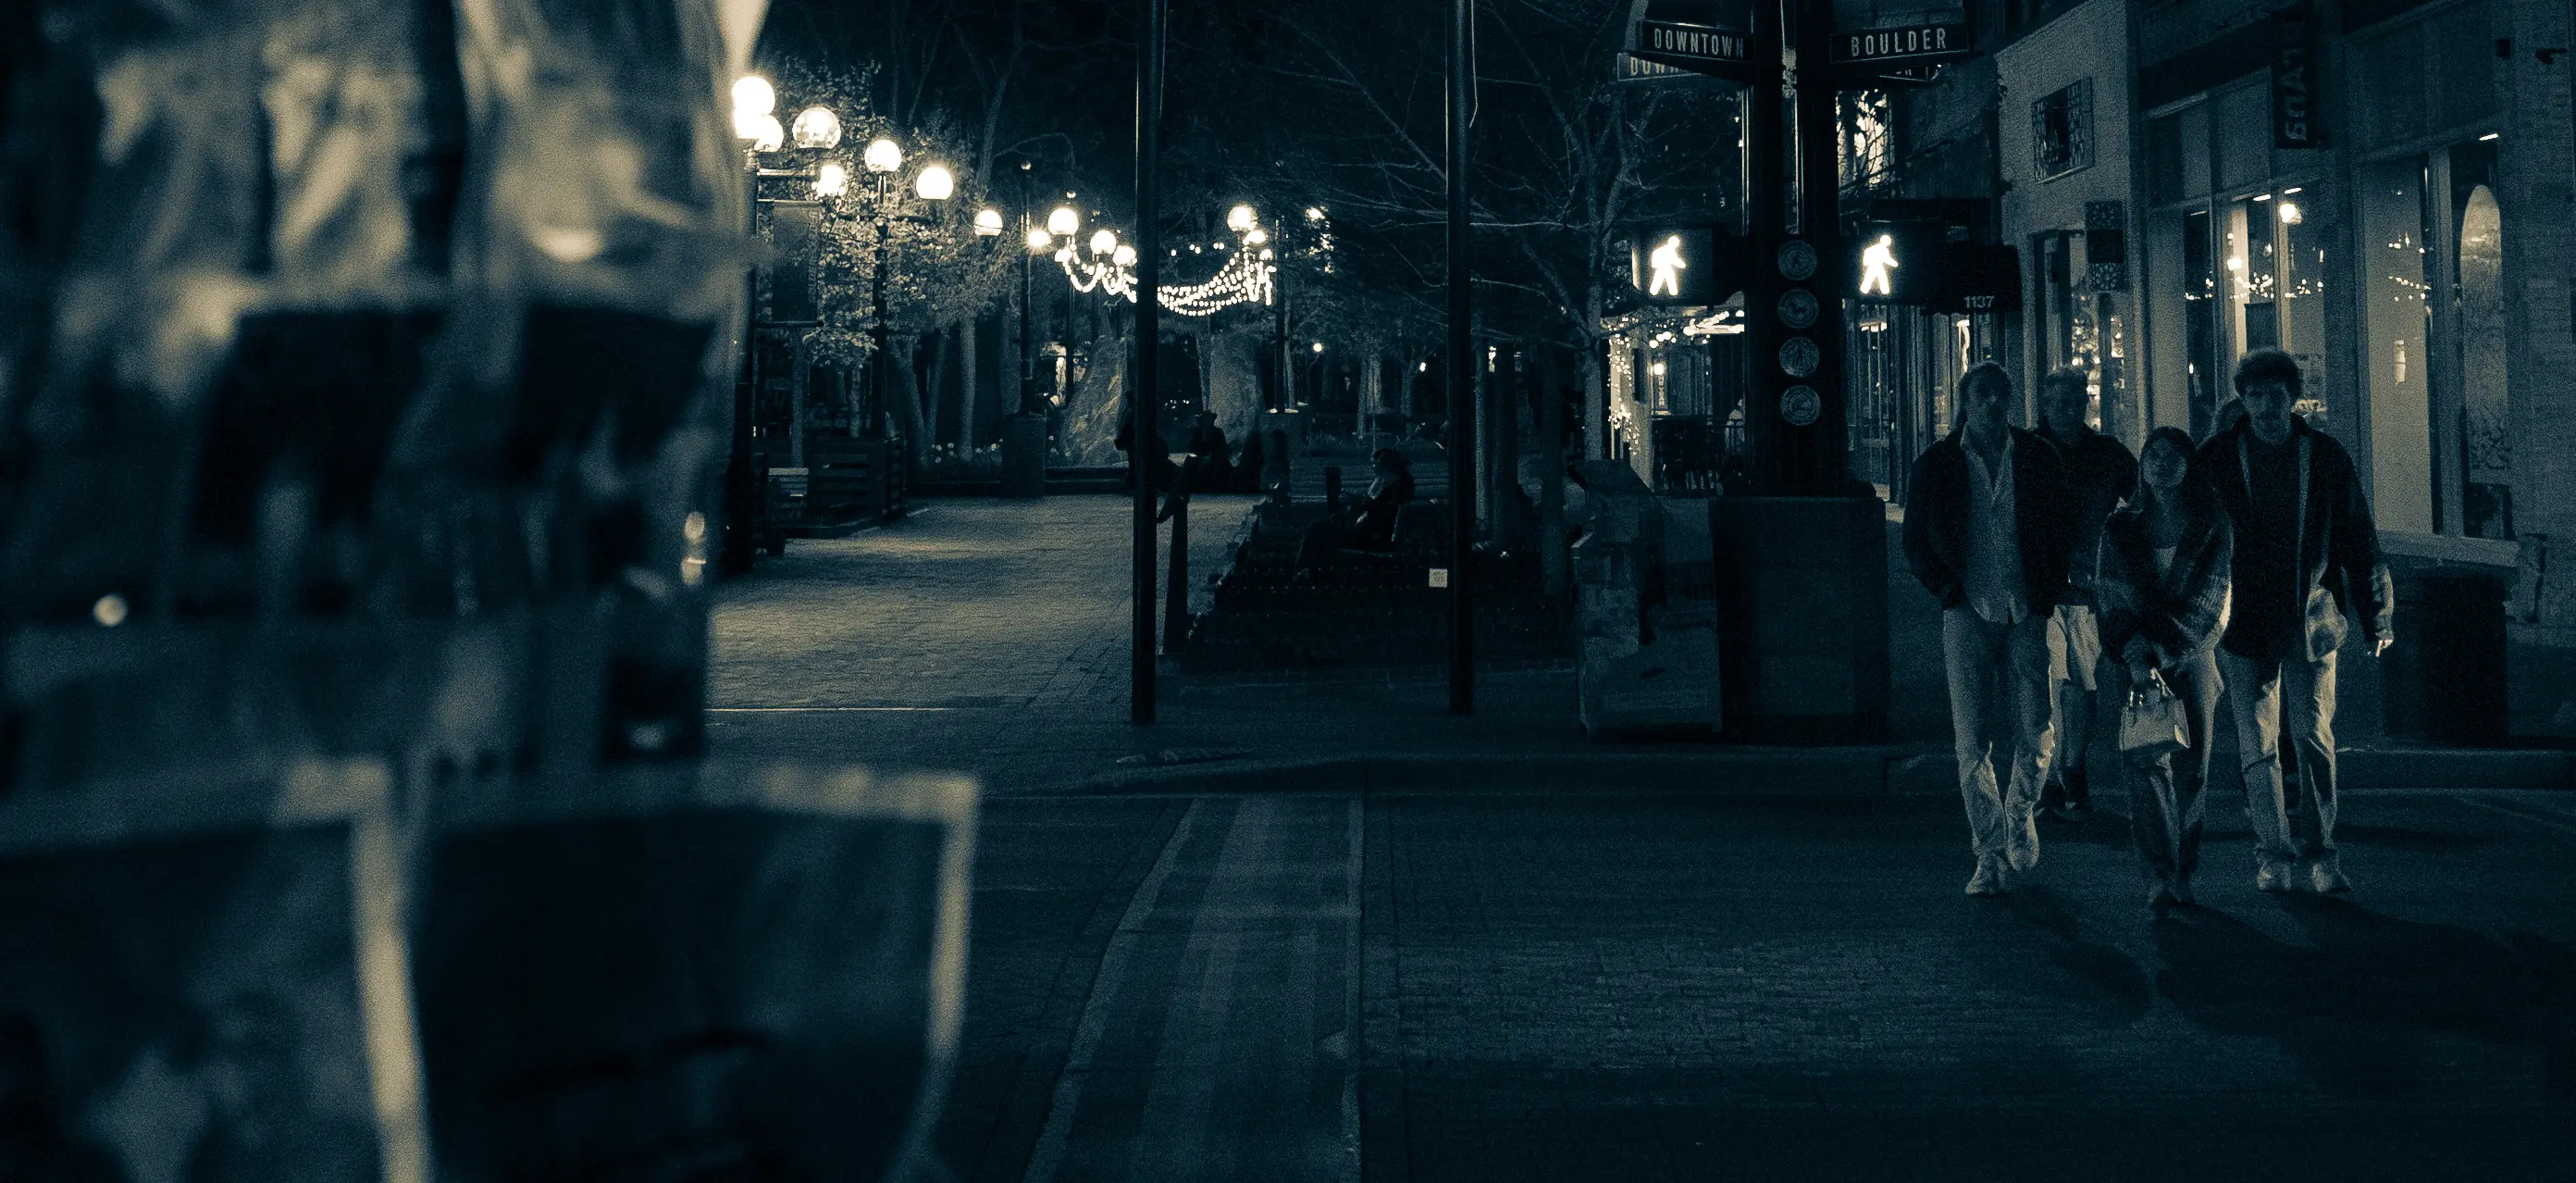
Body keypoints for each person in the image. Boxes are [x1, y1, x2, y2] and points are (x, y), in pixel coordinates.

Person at [2191, 348, 2393, 894]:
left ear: (2292, 397)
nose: (2265, 407)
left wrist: (2378, 614)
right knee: (2257, 744)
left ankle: (2321, 853)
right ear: (2242, 399)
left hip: (2312, 617)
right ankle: (2273, 853)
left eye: (2275, 396)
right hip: (2245, 619)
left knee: (2313, 737)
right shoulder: (2219, 457)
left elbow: (2358, 534)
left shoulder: (2323, 456)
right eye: (2254, 396)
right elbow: (2194, 534)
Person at [1903, 362, 2075, 896]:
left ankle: (2020, 812)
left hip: (2027, 610)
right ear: (1964, 401)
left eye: (2003, 393)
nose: (1994, 403)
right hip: (1967, 613)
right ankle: (1989, 852)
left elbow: (2061, 526)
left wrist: (2048, 593)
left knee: (2039, 730)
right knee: (1971, 738)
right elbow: (1915, 538)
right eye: (1983, 394)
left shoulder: (2039, 457)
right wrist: (1948, 590)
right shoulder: (1936, 462)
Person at [2091, 428, 2233, 915]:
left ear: (2190, 466)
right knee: (2146, 763)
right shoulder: (2120, 527)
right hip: (2133, 663)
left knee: (2194, 767)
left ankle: (2184, 870)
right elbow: (2107, 595)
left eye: (2174, 456)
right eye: (2154, 454)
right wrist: (2134, 656)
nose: (2163, 463)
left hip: (2192, 658)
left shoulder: (2211, 524)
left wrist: (2157, 650)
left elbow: (2211, 602)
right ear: (2142, 465)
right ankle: (2158, 870)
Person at [2034, 367, 2138, 821]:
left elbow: (2140, 503)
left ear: (2086, 404)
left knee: (2078, 682)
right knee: (2045, 682)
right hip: (2036, 584)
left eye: (2075, 402)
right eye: (2058, 403)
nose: (2067, 411)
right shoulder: (2027, 452)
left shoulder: (2108, 454)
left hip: (2082, 585)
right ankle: (2051, 777)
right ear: (2045, 405)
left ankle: (2069, 769)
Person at [1294, 447, 1414, 575]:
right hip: (1365, 532)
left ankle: (1305, 571)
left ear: (1385, 464)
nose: (1373, 467)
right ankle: (1311, 570)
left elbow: (1385, 514)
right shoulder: (1388, 483)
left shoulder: (1398, 486)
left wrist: (1364, 503)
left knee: (1317, 529)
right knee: (1320, 528)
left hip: (1371, 538)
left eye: (1375, 463)